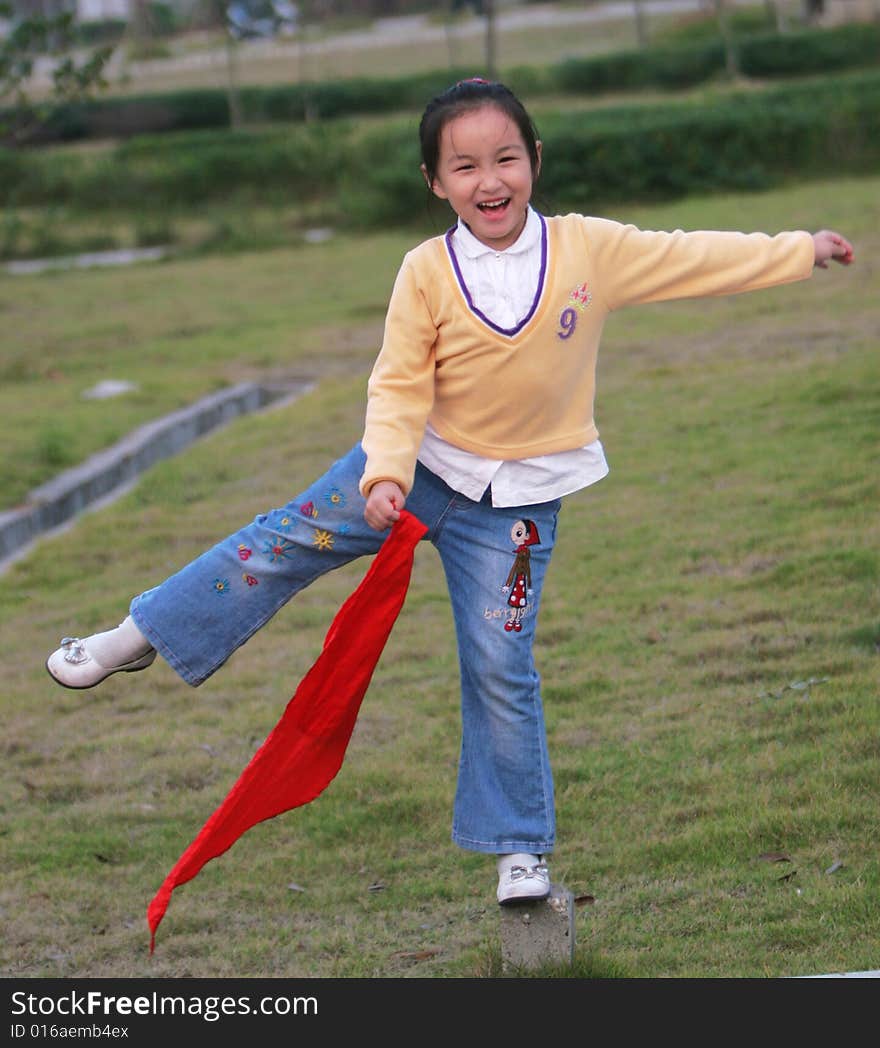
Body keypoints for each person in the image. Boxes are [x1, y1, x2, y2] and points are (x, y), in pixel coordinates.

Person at [45, 78, 854, 906]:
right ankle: (140, 632)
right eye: (464, 166)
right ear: (436, 181)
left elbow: (690, 255)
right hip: (414, 470)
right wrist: (386, 474)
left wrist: (798, 250)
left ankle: (519, 852)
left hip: (519, 505)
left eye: (505, 158)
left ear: (534, 161)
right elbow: (397, 386)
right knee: (280, 541)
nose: (489, 180)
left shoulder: (589, 250)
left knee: (501, 660)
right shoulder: (424, 272)